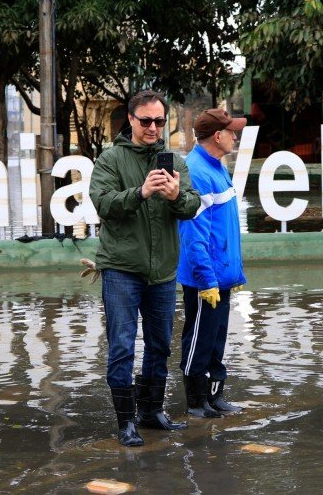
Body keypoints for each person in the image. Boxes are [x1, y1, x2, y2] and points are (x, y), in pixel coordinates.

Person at [89, 89, 201, 446]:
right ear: (131, 120)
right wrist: (141, 192)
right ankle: (125, 422)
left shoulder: (175, 161)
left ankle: (151, 412)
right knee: (121, 345)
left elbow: (193, 205)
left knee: (159, 346)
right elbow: (103, 204)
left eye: (159, 121)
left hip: (163, 269)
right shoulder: (110, 159)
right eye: (146, 120)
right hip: (121, 267)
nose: (153, 127)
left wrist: (175, 196)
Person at [177, 108, 247, 418]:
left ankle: (214, 397)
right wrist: (206, 279)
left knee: (216, 338)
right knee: (199, 340)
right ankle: (195, 402)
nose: (236, 136)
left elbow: (225, 227)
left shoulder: (217, 166)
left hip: (223, 274)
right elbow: (194, 236)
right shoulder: (197, 171)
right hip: (206, 277)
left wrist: (233, 271)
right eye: (232, 131)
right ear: (217, 136)